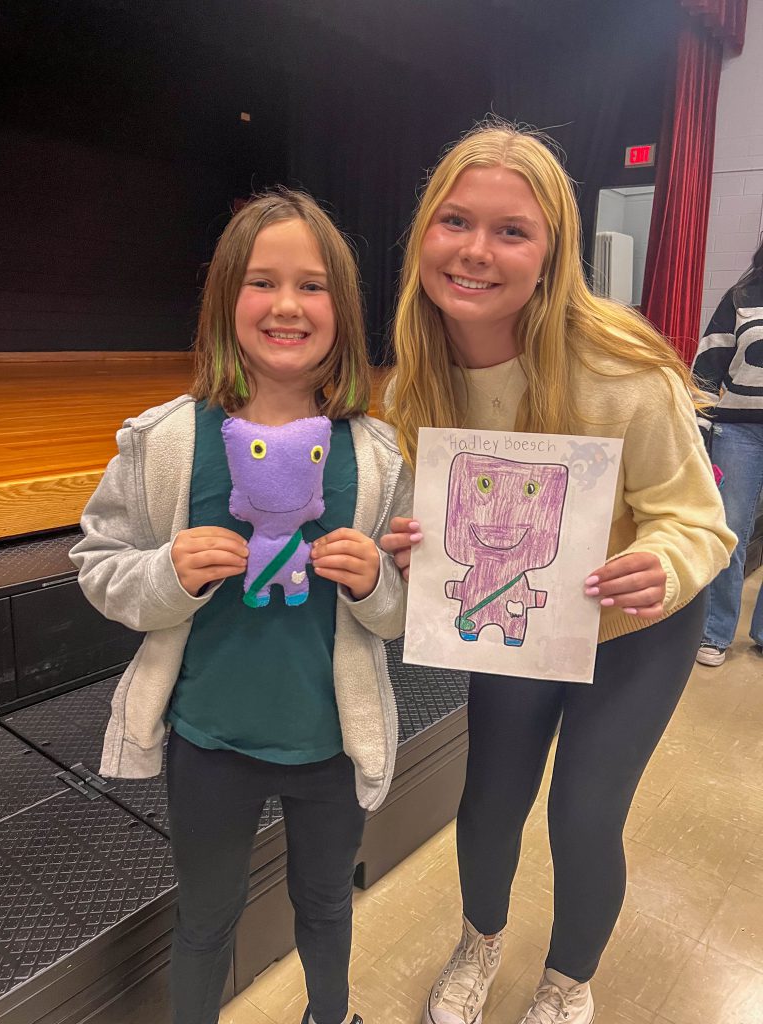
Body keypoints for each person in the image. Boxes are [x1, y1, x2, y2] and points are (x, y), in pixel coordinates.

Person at [380, 122, 735, 1024]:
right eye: (456, 221)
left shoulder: (620, 367)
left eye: (512, 231)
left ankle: (568, 981)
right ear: (424, 230)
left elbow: (699, 520)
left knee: (583, 814)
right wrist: (406, 545)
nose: (475, 251)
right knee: (492, 801)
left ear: (552, 254)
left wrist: (663, 560)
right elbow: (414, 516)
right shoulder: (413, 380)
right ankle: (481, 941)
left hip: (636, 630)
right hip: (518, 619)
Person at [70, 190, 411, 1024]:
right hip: (208, 745)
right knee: (206, 922)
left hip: (330, 746)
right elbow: (98, 564)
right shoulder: (166, 442)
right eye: (263, 282)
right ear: (227, 298)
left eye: (313, 285)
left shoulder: (375, 453)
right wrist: (166, 573)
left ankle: (330, 1016)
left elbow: (398, 617)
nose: (287, 305)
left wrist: (374, 582)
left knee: (327, 908)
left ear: (345, 309)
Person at [692, 236, 763, 667]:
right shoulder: (741, 297)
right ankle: (715, 633)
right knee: (729, 534)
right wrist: (699, 428)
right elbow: (706, 367)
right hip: (739, 432)